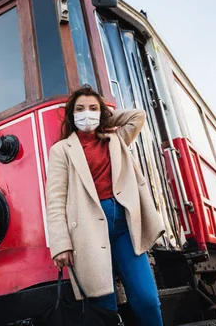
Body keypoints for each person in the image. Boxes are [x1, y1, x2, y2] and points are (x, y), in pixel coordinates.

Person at [46, 85, 165, 326]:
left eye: (92, 108)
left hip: (124, 227)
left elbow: (137, 116)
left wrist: (103, 117)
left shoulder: (115, 138)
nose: (86, 114)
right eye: (79, 109)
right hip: (86, 234)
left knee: (147, 300)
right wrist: (60, 244)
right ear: (71, 115)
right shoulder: (61, 150)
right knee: (103, 308)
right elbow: (56, 199)